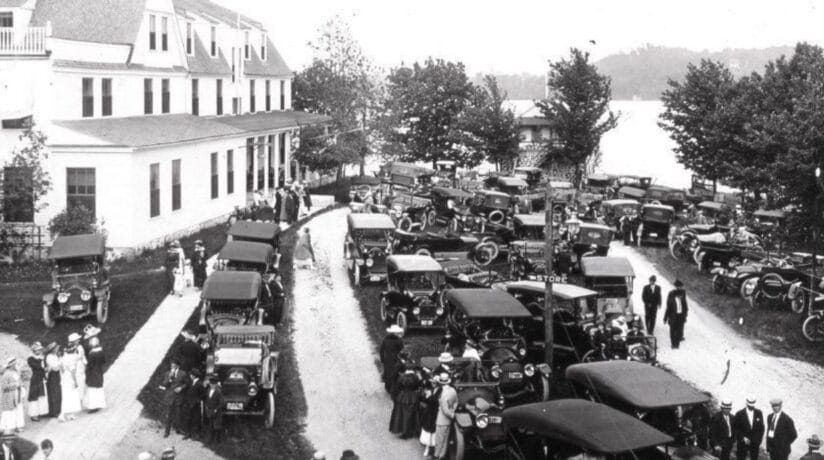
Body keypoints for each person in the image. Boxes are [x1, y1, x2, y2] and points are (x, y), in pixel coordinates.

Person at [389, 361, 421, 439]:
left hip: (403, 396)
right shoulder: (415, 377)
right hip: (413, 397)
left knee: (402, 415)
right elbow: (418, 386)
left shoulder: (402, 377)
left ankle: (404, 432)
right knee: (413, 415)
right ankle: (412, 430)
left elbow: (398, 387)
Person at [159, 359, 189, 438]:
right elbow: (165, 384)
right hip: (170, 397)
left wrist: (181, 388)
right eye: (171, 365)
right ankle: (167, 432)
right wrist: (170, 378)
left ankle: (179, 429)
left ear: (178, 366)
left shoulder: (183, 373)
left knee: (179, 415)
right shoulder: (168, 373)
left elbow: (187, 384)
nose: (172, 366)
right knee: (169, 415)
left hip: (179, 397)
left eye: (174, 365)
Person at [433, 373, 457, 460]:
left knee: (439, 440)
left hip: (441, 419)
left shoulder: (443, 394)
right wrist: (453, 411)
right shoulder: (453, 390)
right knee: (445, 439)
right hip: (448, 421)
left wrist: (451, 414)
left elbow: (444, 409)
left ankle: (436, 456)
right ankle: (442, 456)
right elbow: (456, 402)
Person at [419, 378, 441, 459]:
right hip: (429, 413)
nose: (433, 384)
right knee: (427, 428)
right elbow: (426, 401)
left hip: (435, 413)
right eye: (432, 382)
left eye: (434, 383)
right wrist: (426, 396)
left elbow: (435, 402)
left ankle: (432, 447)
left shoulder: (440, 391)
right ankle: (427, 447)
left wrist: (429, 396)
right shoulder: (433, 389)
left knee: (433, 429)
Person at [379, 325, 405, 393]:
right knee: (394, 373)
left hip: (387, 358)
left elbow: (381, 350)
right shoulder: (398, 341)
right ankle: (394, 388)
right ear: (394, 333)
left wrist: (382, 359)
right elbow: (402, 350)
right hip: (396, 359)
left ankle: (388, 387)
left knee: (387, 372)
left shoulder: (385, 339)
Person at [663, 280, 688, 349]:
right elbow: (668, 307)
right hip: (673, 316)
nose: (679, 288)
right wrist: (665, 318)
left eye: (680, 287)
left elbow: (685, 306)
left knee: (679, 331)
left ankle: (677, 344)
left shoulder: (683, 293)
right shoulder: (671, 294)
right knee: (672, 330)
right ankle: (673, 344)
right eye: (678, 287)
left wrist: (685, 316)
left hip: (680, 316)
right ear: (676, 287)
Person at [182, 368, 206, 440]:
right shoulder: (191, 382)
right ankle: (188, 433)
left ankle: (196, 434)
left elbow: (203, 394)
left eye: (191, 375)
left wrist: (198, 400)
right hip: (189, 403)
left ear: (194, 375)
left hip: (196, 405)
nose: (190, 376)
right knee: (188, 419)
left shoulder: (200, 383)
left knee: (196, 419)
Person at [26, 343, 48, 422]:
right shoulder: (31, 358)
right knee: (34, 396)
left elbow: (44, 367)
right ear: (34, 350)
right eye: (37, 350)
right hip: (35, 378)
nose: (39, 351)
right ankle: (33, 414)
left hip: (41, 378)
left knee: (41, 394)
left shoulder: (41, 358)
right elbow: (36, 367)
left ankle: (41, 412)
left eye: (40, 349)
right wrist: (43, 366)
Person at [0, 359, 23, 433]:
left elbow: (19, 381)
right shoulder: (6, 374)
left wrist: (19, 385)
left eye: (15, 364)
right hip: (9, 396)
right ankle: (6, 427)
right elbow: (4, 387)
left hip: (17, 394)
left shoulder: (16, 373)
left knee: (18, 410)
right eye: (13, 364)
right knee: (9, 412)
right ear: (9, 366)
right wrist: (15, 385)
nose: (15, 365)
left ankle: (17, 425)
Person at [84, 336, 106, 413]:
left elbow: (89, 365)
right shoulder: (101, 351)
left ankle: (93, 407)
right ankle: (99, 404)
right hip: (99, 371)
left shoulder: (92, 354)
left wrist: (87, 372)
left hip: (93, 373)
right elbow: (104, 361)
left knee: (92, 389)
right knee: (99, 388)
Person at [203, 375, 223, 443]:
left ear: (216, 384)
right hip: (209, 410)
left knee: (216, 426)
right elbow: (207, 399)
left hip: (216, 411)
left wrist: (216, 409)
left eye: (214, 384)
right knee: (210, 426)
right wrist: (206, 406)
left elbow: (221, 403)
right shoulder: (208, 390)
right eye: (211, 384)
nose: (212, 385)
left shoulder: (218, 392)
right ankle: (210, 439)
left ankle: (218, 440)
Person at [44, 344, 61, 418]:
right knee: (53, 392)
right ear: (53, 349)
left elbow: (58, 366)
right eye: (56, 348)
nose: (57, 349)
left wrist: (58, 364)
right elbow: (55, 368)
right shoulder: (49, 357)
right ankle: (53, 412)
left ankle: (57, 410)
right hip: (52, 376)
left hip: (57, 375)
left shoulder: (55, 356)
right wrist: (59, 363)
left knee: (57, 392)